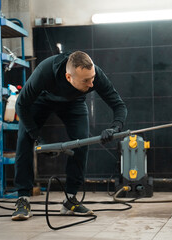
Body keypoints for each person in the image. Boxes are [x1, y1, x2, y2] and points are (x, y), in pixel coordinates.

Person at [11, 51, 127, 220]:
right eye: (86, 81)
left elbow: (119, 105)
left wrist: (115, 128)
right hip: (41, 101)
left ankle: (70, 200)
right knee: (24, 138)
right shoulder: (44, 72)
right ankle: (23, 199)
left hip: (74, 103)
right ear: (68, 77)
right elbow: (21, 105)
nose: (92, 83)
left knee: (81, 142)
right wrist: (37, 136)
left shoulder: (95, 75)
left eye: (92, 78)